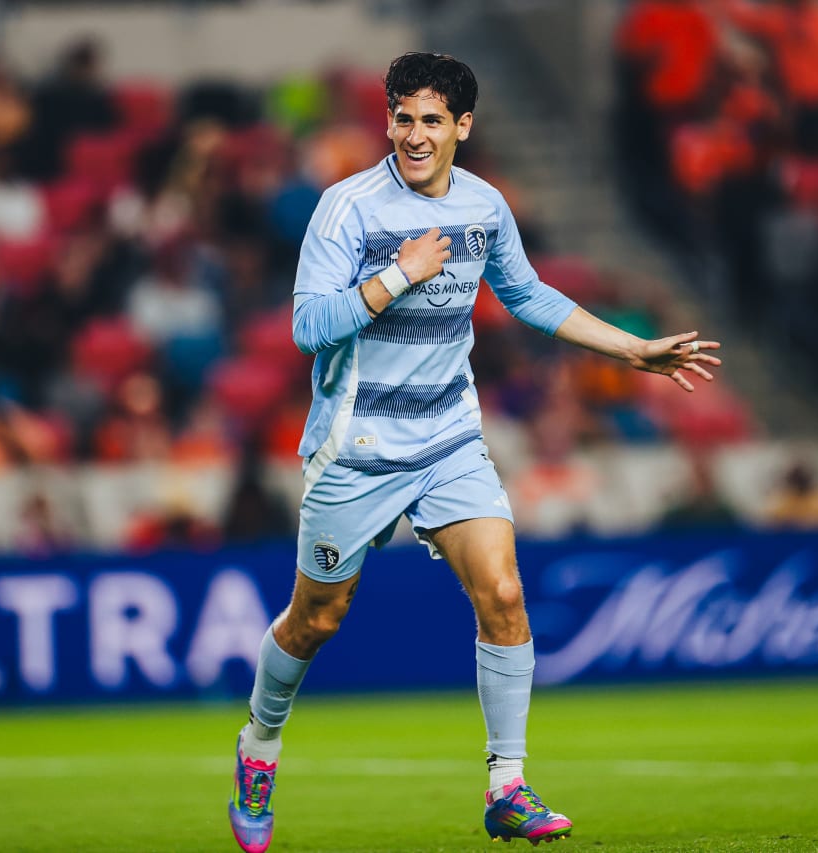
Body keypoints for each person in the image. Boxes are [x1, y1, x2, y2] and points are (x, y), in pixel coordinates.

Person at [226, 52, 723, 852]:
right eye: (401, 117)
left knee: (503, 591)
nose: (414, 135)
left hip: (449, 436)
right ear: (386, 120)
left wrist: (631, 351)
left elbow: (526, 293)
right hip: (354, 448)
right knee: (318, 618)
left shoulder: (485, 205)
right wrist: (397, 275)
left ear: (462, 126)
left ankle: (508, 786)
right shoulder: (345, 208)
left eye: (431, 120)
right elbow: (308, 328)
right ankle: (259, 745)